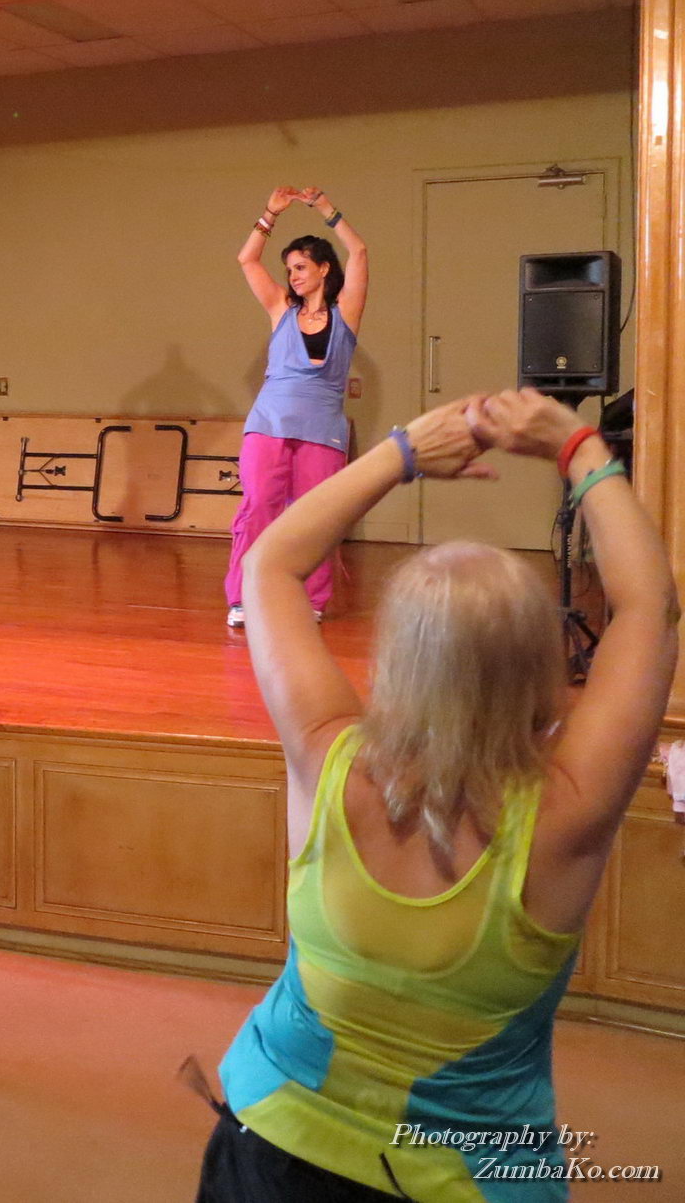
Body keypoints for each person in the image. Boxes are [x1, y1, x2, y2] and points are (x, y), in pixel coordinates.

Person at [201, 390, 677, 1201]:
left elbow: (269, 564)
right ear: (540, 672)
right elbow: (650, 608)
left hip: (270, 1145)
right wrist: (580, 448)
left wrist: (403, 452)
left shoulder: (327, 760)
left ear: (395, 660)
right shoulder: (565, 815)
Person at [227, 186, 368, 627]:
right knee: (258, 507)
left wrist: (325, 208)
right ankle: (242, 597)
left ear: (324, 268)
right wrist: (270, 214)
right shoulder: (280, 309)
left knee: (316, 518)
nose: (293, 276)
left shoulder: (346, 313)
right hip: (269, 422)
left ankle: (311, 599)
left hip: (322, 429)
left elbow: (359, 251)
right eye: (289, 269)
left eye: (302, 267)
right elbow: (247, 259)